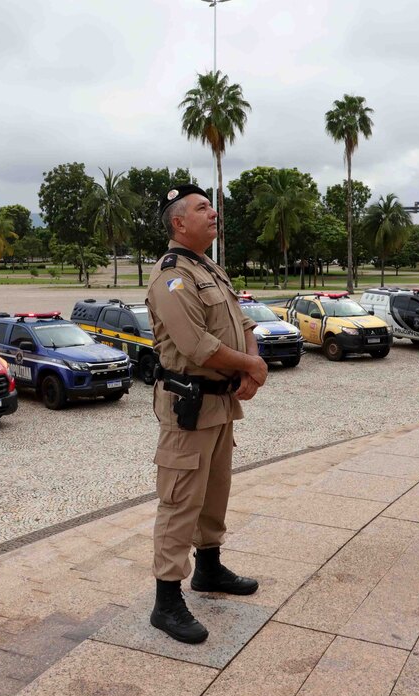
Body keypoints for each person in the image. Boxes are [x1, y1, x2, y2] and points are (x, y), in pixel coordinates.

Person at [145, 184, 268, 644]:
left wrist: (250, 367)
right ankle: (166, 600)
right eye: (202, 209)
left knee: (214, 492)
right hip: (188, 405)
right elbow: (196, 345)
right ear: (179, 223)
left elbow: (244, 322)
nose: (213, 213)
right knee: (179, 501)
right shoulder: (172, 276)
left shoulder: (207, 267)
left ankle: (209, 569)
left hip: (221, 400)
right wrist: (249, 366)